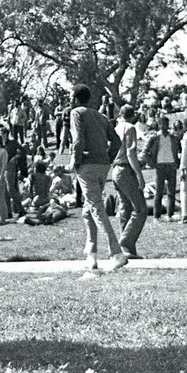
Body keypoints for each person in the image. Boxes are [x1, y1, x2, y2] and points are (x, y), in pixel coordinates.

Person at [69, 85, 127, 271]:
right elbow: (116, 141)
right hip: (103, 165)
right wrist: (107, 158)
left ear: (76, 99)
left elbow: (78, 139)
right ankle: (92, 255)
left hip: (87, 165)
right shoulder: (101, 116)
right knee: (88, 210)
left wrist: (75, 162)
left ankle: (116, 253)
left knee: (96, 209)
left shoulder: (77, 113)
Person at [110, 105, 147, 258]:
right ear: (132, 116)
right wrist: (139, 174)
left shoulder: (116, 128)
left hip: (116, 169)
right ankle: (125, 242)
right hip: (126, 169)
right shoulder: (130, 128)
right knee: (140, 209)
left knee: (125, 208)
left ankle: (128, 250)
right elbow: (130, 152)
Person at [145, 117, 180, 220]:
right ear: (159, 125)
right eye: (162, 124)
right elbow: (145, 152)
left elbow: (178, 151)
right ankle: (157, 216)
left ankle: (170, 214)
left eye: (166, 124)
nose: (164, 126)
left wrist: (176, 163)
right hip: (159, 166)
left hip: (171, 165)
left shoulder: (173, 138)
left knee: (171, 192)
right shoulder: (154, 138)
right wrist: (152, 164)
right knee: (158, 192)